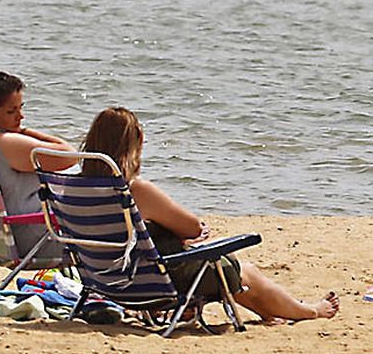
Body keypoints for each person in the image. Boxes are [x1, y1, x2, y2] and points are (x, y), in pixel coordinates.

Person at [82, 106, 337, 324]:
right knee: (241, 271)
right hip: (152, 285)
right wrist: (190, 234)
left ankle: (270, 313)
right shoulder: (135, 190)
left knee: (225, 269)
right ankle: (311, 311)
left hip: (104, 283)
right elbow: (193, 228)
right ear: (136, 141)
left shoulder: (76, 190)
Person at [0, 69, 73, 260]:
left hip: (7, 237)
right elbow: (69, 155)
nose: (21, 117)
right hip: (38, 239)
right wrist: (25, 131)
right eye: (11, 111)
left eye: (21, 108)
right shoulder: (5, 143)